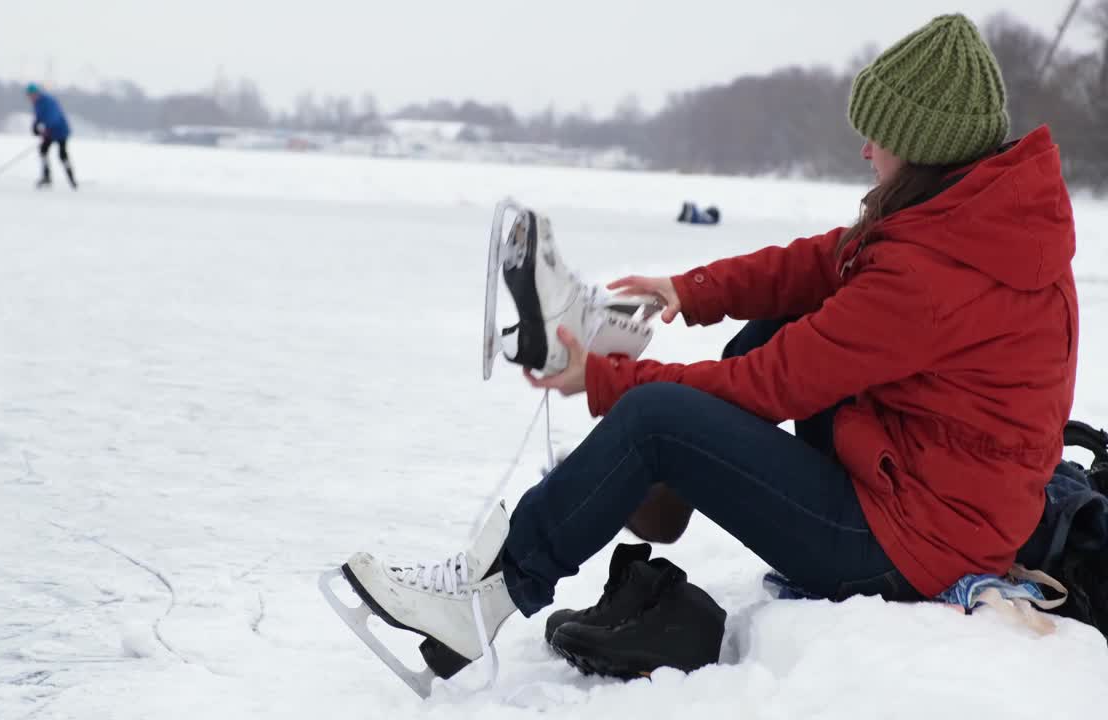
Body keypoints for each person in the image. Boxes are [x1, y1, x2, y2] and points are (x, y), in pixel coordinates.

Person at [338, 13, 1080, 682]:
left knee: (657, 418)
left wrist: (602, 380)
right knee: (772, 329)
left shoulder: (933, 277)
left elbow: (772, 386)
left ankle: (487, 596)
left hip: (909, 547)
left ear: (921, 152)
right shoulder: (974, 219)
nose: (863, 149)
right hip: (923, 484)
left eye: (878, 136)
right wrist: (688, 290)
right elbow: (826, 263)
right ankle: (661, 486)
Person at [25, 83, 77, 189]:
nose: (31, 97)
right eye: (29, 95)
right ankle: (46, 176)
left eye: (32, 95)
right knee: (43, 151)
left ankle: (71, 179)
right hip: (50, 131)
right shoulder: (37, 103)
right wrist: (35, 126)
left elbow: (54, 116)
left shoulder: (48, 101)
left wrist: (47, 129)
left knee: (62, 154)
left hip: (60, 130)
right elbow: (39, 116)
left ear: (36, 93)